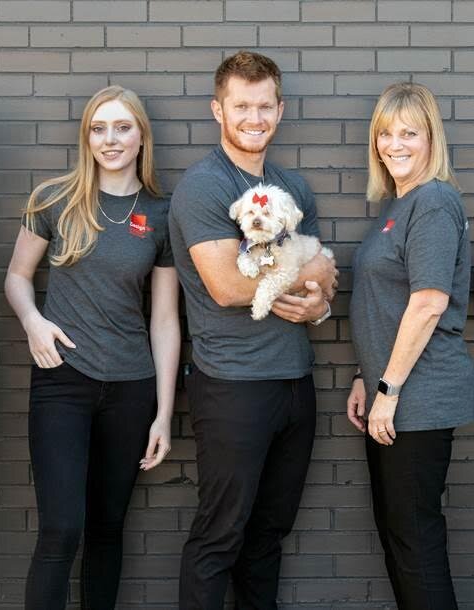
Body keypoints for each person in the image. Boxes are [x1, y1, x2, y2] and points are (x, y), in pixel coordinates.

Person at [169, 51, 337, 608]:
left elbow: (322, 286)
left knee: (268, 537)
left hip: (294, 382)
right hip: (232, 386)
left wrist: (316, 303)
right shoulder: (205, 188)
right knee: (221, 536)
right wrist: (307, 277)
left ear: (280, 109)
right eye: (242, 105)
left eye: (265, 106)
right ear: (218, 109)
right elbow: (225, 286)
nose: (254, 117)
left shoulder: (293, 191)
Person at [5, 85, 180, 609]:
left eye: (122, 127)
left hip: (131, 388)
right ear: (87, 137)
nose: (110, 139)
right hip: (63, 380)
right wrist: (34, 321)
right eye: (99, 128)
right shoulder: (54, 200)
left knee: (107, 528)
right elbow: (16, 276)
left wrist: (164, 414)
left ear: (141, 135)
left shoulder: (160, 213)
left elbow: (167, 320)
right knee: (61, 529)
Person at [346, 82, 474, 610]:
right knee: (400, 535)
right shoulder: (400, 205)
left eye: (409, 133)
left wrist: (388, 387)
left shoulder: (435, 201)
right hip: (392, 394)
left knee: (415, 539)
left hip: (415, 401)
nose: (394, 144)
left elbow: (427, 303)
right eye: (385, 134)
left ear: (431, 140)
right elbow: (386, 303)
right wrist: (366, 375)